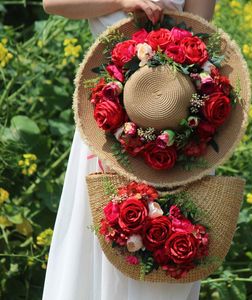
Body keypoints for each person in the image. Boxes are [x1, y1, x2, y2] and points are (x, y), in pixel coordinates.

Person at [41, 1, 216, 299]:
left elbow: (199, 32)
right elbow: (54, 3)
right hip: (109, 125)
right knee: (101, 252)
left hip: (177, 125)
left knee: (166, 262)